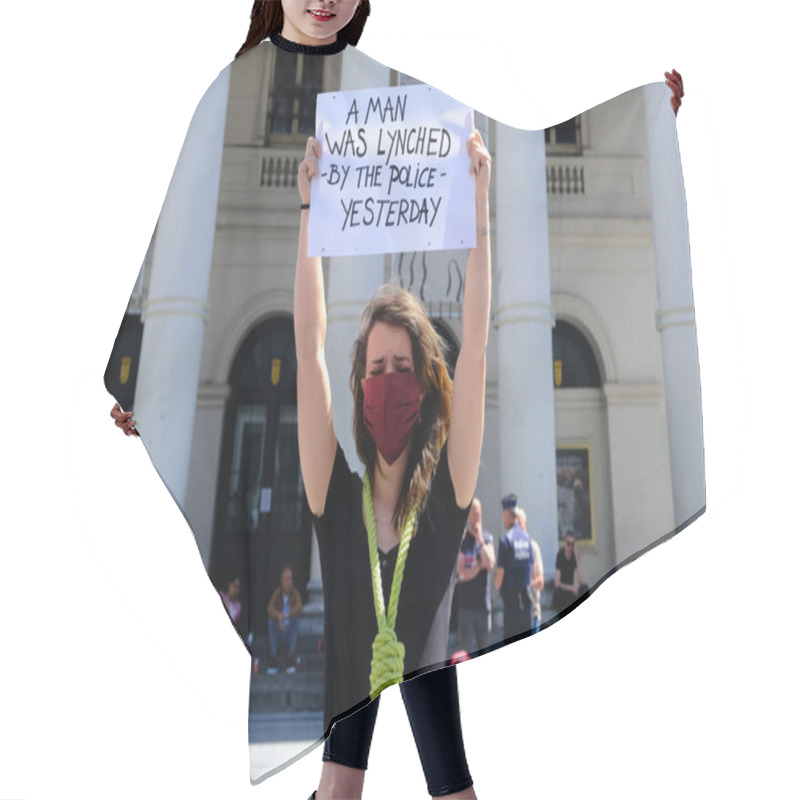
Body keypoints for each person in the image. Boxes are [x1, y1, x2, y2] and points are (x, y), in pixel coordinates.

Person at [456, 498, 495, 654]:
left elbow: (491, 563)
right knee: (465, 653)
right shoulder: (462, 540)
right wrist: (480, 566)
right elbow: (462, 574)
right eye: (473, 513)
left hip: (483, 607)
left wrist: (480, 539)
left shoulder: (487, 538)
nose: (476, 516)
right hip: (466, 607)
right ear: (468, 515)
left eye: (478, 513)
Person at [494, 494, 535, 640]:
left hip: (512, 608)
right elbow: (530, 572)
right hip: (526, 608)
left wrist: (496, 583)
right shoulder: (527, 539)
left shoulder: (506, 541)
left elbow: (498, 580)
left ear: (506, 513)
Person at [267, 566, 303, 674]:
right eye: (287, 579)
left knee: (296, 619)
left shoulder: (295, 594)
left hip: (290, 633)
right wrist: (278, 618)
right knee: (271, 620)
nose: (290, 582)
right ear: (282, 582)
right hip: (279, 632)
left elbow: (299, 607)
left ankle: (290, 658)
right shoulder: (277, 594)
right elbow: (270, 608)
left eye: (291, 579)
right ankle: (273, 659)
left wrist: (286, 616)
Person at [515, 507, 544, 634]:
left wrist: (526, 583)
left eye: (519, 524)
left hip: (532, 613)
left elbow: (541, 582)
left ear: (525, 525)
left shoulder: (533, 547)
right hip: (515, 614)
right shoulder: (508, 549)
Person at [552, 530, 589, 615]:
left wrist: (576, 558)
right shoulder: (560, 555)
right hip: (563, 590)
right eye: (568, 544)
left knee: (585, 588)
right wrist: (570, 587)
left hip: (571, 592)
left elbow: (580, 581)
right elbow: (557, 583)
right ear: (565, 543)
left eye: (572, 544)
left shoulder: (574, 556)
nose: (570, 547)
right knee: (560, 593)